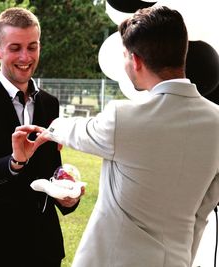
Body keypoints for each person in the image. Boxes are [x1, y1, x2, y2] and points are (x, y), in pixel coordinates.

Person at [18, 5, 219, 267]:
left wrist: (52, 128)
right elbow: (204, 210)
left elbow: (80, 131)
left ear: (135, 60)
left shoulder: (122, 118)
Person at [0, 7, 82, 267]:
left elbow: (50, 171)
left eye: (32, 47)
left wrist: (66, 195)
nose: (25, 57)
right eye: (15, 48)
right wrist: (13, 163)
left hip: (44, 248)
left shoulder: (50, 103)